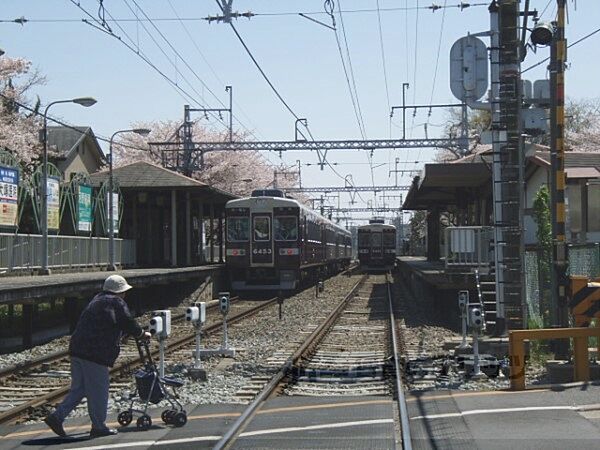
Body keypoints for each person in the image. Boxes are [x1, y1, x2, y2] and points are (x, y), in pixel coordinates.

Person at [44, 274, 151, 438]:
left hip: (77, 349)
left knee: (80, 389)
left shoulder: (97, 299)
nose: (125, 294)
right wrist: (141, 333)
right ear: (120, 291)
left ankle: (56, 417)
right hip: (95, 353)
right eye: (124, 291)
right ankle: (99, 426)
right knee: (100, 390)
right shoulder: (116, 301)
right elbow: (127, 321)